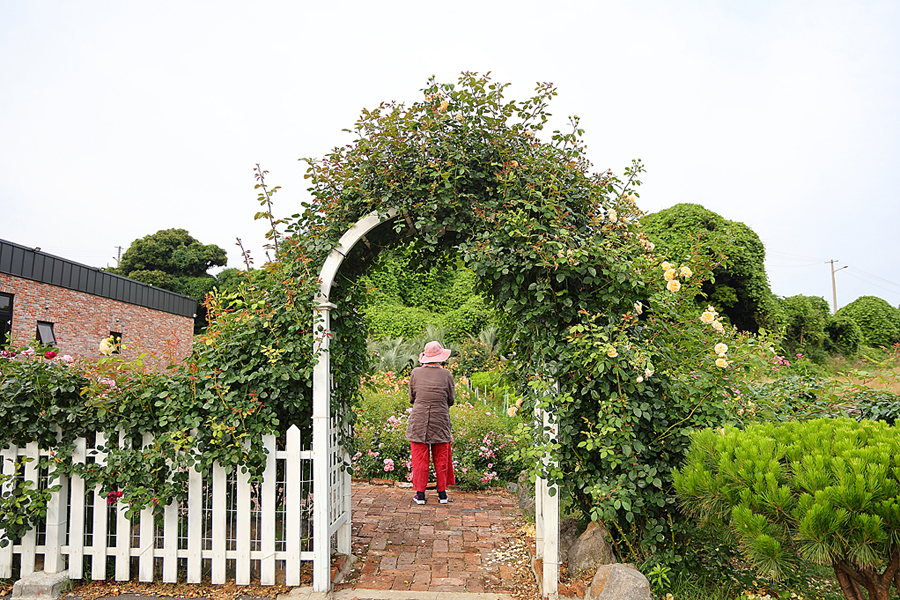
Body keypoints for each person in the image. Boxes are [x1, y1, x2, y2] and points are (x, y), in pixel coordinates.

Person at [405, 340, 455, 504]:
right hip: (440, 419)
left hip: (419, 419)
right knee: (441, 457)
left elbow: (412, 398)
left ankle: (420, 495)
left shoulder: (415, 373)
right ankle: (442, 494)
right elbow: (451, 399)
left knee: (419, 457)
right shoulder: (446, 374)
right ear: (440, 358)